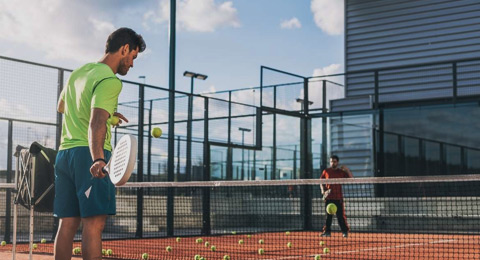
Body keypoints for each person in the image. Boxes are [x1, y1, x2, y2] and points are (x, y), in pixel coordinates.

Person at [54, 27, 145, 260]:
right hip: (90, 156)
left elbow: (62, 107)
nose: (132, 64)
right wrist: (98, 158)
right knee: (93, 225)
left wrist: (110, 117)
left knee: (67, 224)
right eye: (133, 56)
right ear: (124, 49)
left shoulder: (79, 73)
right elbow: (95, 122)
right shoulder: (110, 80)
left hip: (65, 155)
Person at [320, 155, 353, 238]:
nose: (332, 163)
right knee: (328, 217)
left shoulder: (341, 172)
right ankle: (327, 232)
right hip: (329, 198)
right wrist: (323, 191)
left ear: (337, 162)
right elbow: (321, 181)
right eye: (331, 161)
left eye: (334, 161)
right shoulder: (326, 171)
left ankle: (345, 232)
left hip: (338, 198)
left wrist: (347, 170)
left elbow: (351, 179)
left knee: (340, 216)